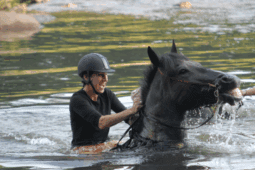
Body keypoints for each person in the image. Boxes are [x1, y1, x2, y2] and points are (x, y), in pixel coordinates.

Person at [69, 53, 142, 153]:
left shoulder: (107, 94)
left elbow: (128, 118)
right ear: (86, 77)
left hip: (102, 145)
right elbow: (101, 122)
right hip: (82, 150)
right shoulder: (77, 100)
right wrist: (132, 110)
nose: (106, 79)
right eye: (100, 75)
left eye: (106, 75)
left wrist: (141, 109)